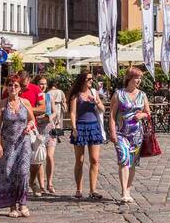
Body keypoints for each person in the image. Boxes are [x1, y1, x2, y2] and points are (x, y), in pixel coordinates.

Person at [0, 77, 37, 218]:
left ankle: (22, 203)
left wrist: (29, 126)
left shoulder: (25, 103)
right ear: (6, 87)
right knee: (9, 173)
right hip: (8, 144)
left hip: (23, 142)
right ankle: (12, 206)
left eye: (16, 85)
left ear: (20, 88)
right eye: (10, 85)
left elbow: (32, 119)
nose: (13, 88)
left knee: (23, 172)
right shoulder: (2, 104)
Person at [109, 68, 149, 203]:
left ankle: (128, 190)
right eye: (136, 78)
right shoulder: (118, 94)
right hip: (121, 132)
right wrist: (112, 132)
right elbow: (112, 115)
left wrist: (141, 115)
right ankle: (124, 191)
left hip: (137, 134)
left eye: (140, 78)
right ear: (129, 78)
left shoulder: (142, 95)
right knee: (123, 158)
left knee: (131, 163)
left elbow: (148, 113)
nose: (138, 81)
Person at [68, 70, 106, 200]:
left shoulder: (94, 93)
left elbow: (102, 109)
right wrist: (73, 127)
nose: (91, 80)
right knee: (79, 160)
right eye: (89, 78)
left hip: (93, 126)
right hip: (80, 127)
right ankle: (79, 189)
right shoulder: (76, 95)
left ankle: (93, 190)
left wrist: (96, 101)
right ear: (83, 80)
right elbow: (72, 113)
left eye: (92, 78)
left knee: (94, 160)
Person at [37, 74, 63, 195]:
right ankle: (41, 185)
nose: (43, 86)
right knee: (39, 158)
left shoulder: (49, 97)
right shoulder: (34, 97)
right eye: (41, 83)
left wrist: (50, 117)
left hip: (50, 129)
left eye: (44, 84)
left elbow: (55, 112)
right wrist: (38, 118)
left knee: (49, 156)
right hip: (38, 129)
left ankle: (50, 183)